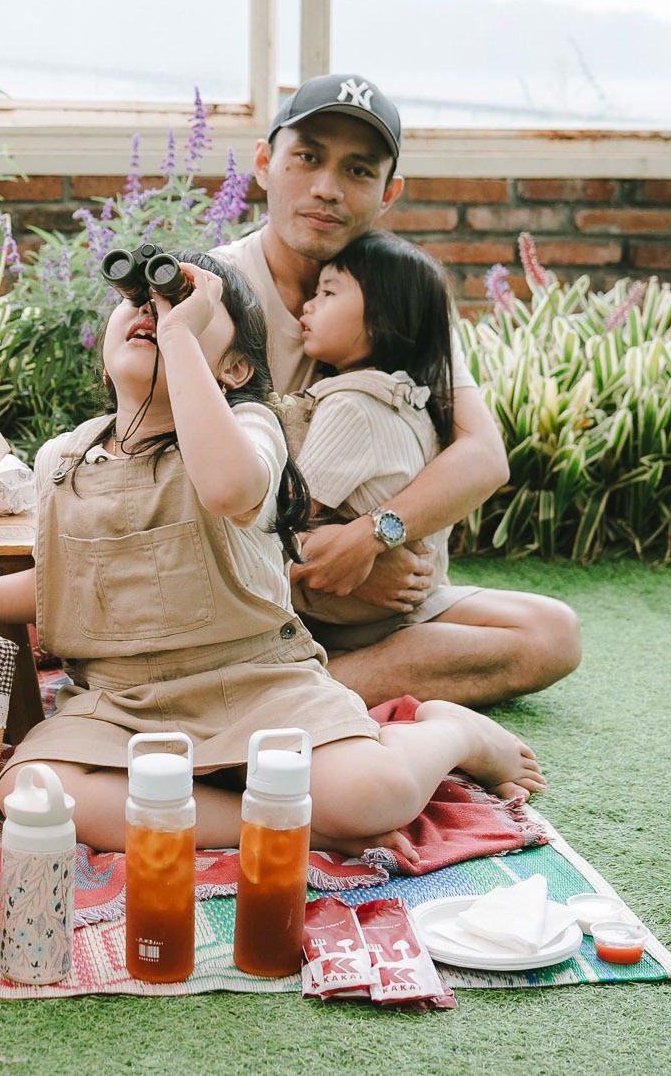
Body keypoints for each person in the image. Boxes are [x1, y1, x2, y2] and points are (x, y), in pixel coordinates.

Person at [0, 257, 542, 856]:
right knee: (33, 792)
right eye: (139, 302)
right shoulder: (64, 458)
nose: (153, 313)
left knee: (373, 793)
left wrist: (179, 335)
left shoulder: (248, 430)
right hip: (122, 701)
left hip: (257, 686)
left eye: (181, 306)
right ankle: (278, 825)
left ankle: (450, 733)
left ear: (234, 367)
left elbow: (227, 489)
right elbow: (67, 581)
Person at [212, 74, 581, 707]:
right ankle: (287, 689)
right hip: (251, 583)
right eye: (308, 158)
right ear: (265, 163)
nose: (328, 188)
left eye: (358, 170)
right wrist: (308, 565)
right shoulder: (217, 290)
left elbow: (483, 455)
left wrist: (370, 537)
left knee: (552, 635)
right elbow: (172, 482)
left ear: (389, 193)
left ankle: (287, 694)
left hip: (379, 592)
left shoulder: (396, 294)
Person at [286, 230, 487, 652]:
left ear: (382, 318)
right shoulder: (411, 401)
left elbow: (288, 516)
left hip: (345, 607)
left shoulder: (351, 407)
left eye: (328, 293)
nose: (308, 304)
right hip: (404, 607)